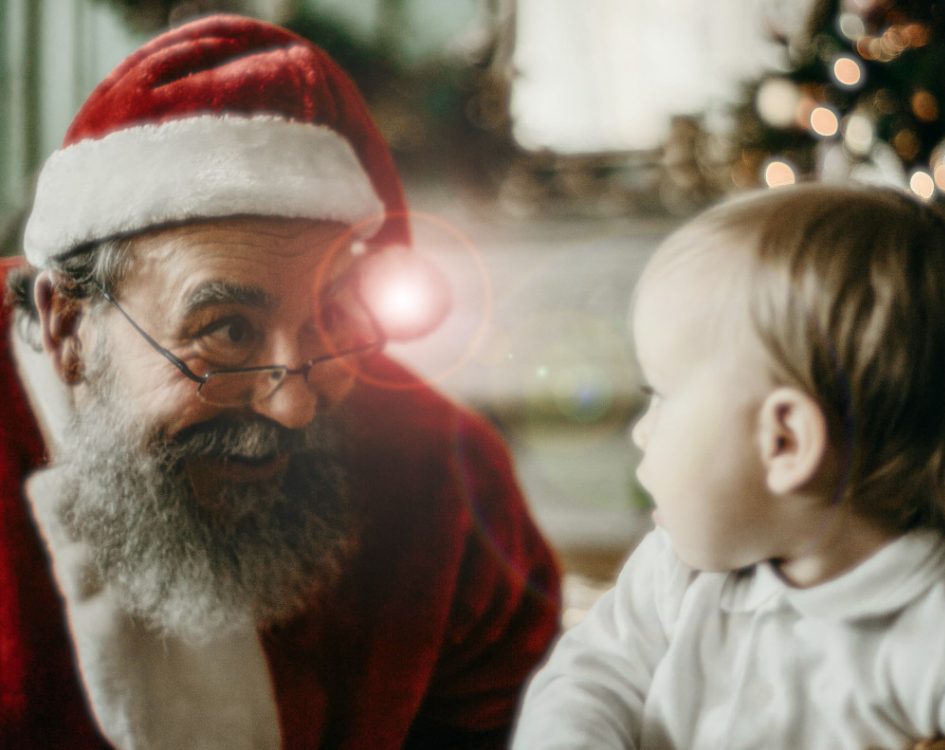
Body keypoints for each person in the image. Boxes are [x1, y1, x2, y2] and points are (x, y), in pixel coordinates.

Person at [0, 14, 560, 749]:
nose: (294, 402)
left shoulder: (450, 483)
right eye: (227, 329)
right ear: (69, 327)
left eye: (336, 318)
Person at [512, 184, 945, 749]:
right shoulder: (674, 571)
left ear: (785, 441)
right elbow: (587, 682)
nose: (640, 429)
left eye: (660, 394)